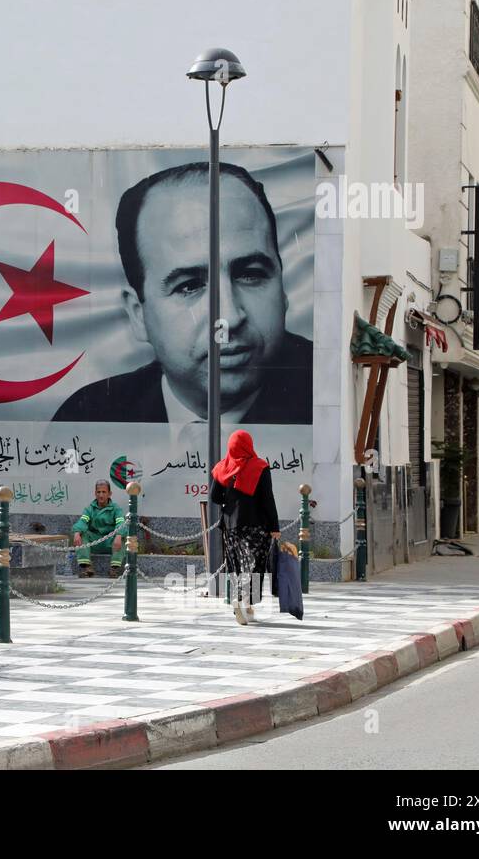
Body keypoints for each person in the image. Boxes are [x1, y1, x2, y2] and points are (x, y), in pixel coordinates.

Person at [53, 162, 311, 425]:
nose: (229, 318)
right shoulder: (86, 419)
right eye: (189, 286)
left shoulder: (334, 396)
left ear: (282, 285)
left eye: (251, 274)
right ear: (138, 315)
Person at [209, 429, 296, 625]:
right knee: (254, 566)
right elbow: (267, 499)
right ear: (249, 445)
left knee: (237, 565)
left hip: (231, 525)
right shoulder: (260, 467)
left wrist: (230, 500)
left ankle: (243, 604)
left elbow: (214, 497)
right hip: (257, 526)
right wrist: (274, 526)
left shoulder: (222, 467)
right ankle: (244, 602)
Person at [72, 480, 127, 578]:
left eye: (104, 492)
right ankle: (87, 568)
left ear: (109, 494)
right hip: (95, 542)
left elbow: (121, 523)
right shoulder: (90, 509)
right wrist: (77, 532)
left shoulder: (116, 509)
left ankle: (114, 569)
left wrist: (118, 536)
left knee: (121, 536)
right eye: (98, 492)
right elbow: (82, 521)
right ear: (95, 494)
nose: (101, 495)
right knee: (82, 534)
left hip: (110, 542)